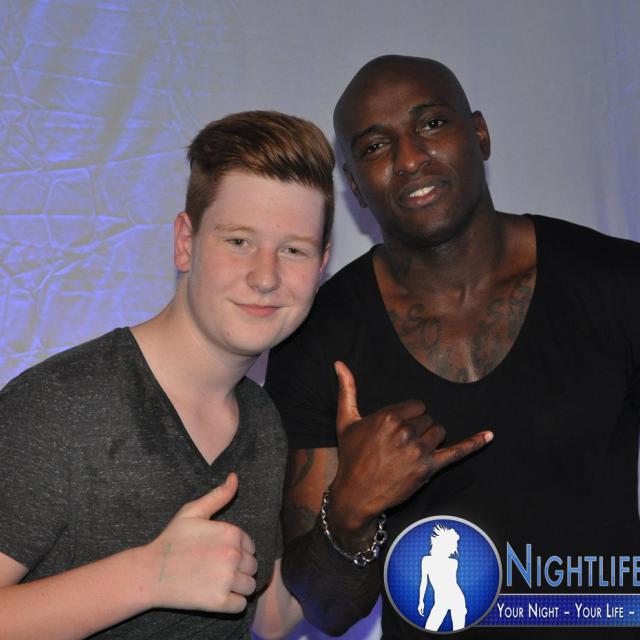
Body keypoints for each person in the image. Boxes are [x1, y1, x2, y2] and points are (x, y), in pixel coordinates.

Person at [265, 55, 640, 638]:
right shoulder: (316, 339)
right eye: (375, 146)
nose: (410, 158)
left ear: (480, 134)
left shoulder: (617, 282)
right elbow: (327, 611)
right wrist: (351, 509)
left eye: (432, 124)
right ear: (354, 185)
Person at [0, 110, 334, 639]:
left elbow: (268, 618)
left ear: (321, 267)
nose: (266, 277)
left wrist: (355, 509)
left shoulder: (263, 422)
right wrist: (146, 576)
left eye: (293, 250)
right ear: (185, 243)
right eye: (239, 241)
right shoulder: (59, 405)